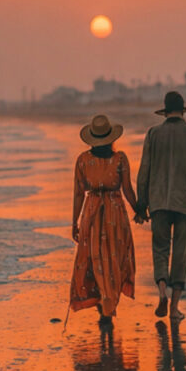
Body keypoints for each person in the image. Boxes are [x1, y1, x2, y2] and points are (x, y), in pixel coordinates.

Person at [136, 91, 186, 320]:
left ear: (165, 110)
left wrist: (141, 204)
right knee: (181, 253)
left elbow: (144, 172)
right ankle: (174, 307)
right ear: (183, 110)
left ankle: (160, 292)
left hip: (158, 202)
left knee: (160, 249)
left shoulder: (153, 134)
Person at [70, 114, 142, 324]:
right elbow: (128, 189)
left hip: (91, 213)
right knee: (115, 257)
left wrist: (74, 222)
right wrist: (138, 209)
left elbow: (77, 194)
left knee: (95, 258)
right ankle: (109, 302)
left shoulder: (83, 160)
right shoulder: (120, 159)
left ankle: (103, 302)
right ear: (111, 138)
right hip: (115, 212)